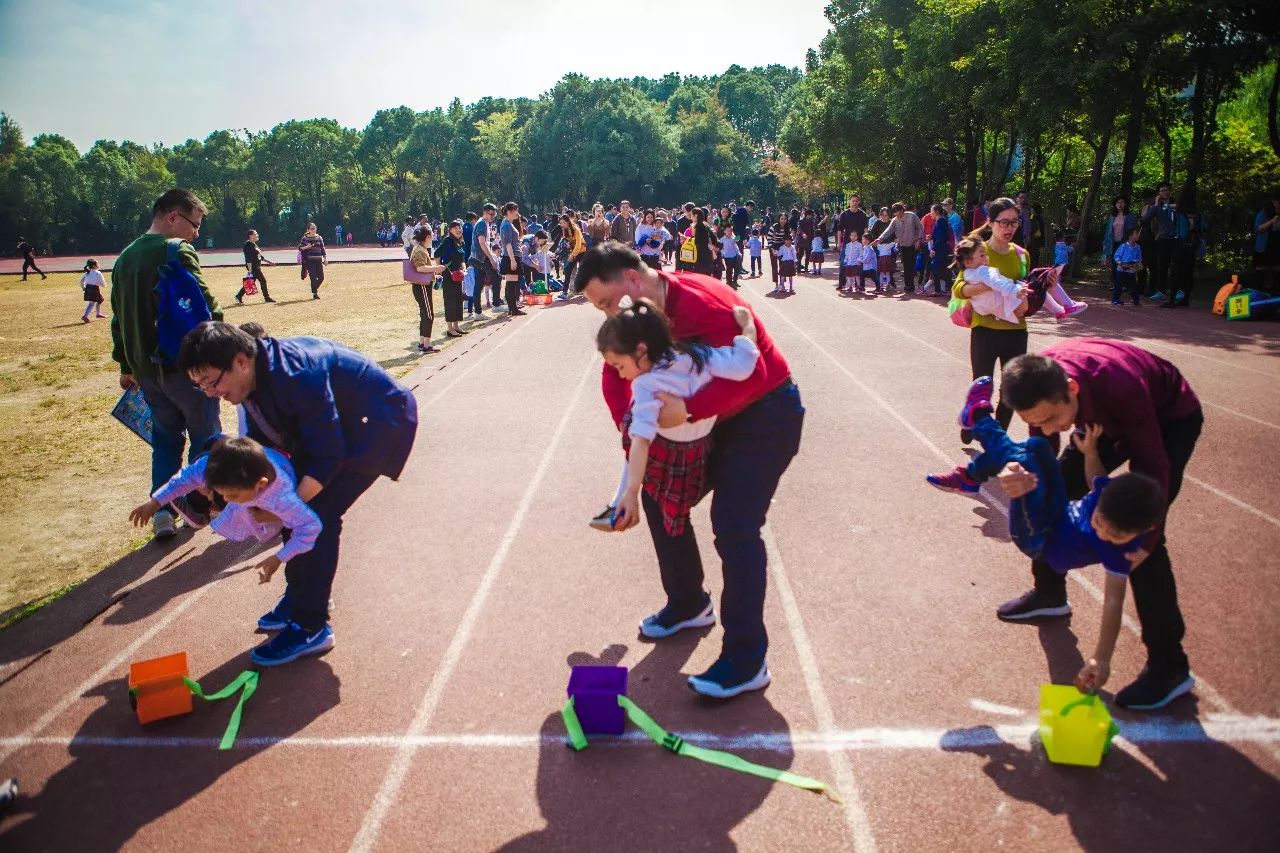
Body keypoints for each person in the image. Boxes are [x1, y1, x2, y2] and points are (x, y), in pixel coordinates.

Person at [574, 242, 803, 699]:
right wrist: (633, 468)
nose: (605, 315)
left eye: (605, 302)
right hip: (711, 424)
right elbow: (615, 384)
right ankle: (688, 602)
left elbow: (753, 372)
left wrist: (689, 410)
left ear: (633, 281)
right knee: (659, 497)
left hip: (765, 413)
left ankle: (746, 656)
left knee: (734, 526)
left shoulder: (707, 302)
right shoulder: (634, 322)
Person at [178, 321, 418, 666]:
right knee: (294, 503)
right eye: (199, 385)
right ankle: (303, 596)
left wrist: (280, 510)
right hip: (341, 427)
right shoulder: (255, 376)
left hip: (377, 425)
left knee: (315, 515)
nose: (210, 393)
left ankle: (311, 626)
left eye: (212, 382)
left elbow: (328, 456)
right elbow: (266, 452)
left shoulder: (295, 376)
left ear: (241, 361)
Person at [986, 343, 1203, 710]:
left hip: (1167, 418)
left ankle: (1170, 665)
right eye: (1038, 421)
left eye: (1054, 419)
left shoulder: (1119, 385)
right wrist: (1021, 476)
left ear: (1071, 388)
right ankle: (1050, 593)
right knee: (1058, 489)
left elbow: (1153, 468)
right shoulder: (1037, 389)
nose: (1051, 429)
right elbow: (1040, 453)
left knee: (1138, 531)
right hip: (1100, 421)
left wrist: (1143, 542)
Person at [925, 378, 1166, 695]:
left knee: (1023, 462)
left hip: (1038, 537)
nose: (1101, 531)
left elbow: (1112, 605)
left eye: (1112, 534)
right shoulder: (1109, 494)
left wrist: (1101, 660)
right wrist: (1091, 451)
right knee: (1038, 447)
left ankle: (980, 418)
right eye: (1099, 520)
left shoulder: (1121, 555)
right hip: (1055, 511)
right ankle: (972, 474)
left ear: (1142, 532)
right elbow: (1095, 479)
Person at [591, 297, 759, 535]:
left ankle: (619, 507)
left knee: (634, 427)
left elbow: (640, 442)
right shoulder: (700, 355)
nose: (623, 375)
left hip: (666, 455)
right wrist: (747, 326)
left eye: (619, 366)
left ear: (640, 350)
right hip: (700, 453)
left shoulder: (646, 384)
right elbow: (743, 365)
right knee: (677, 512)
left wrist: (631, 492)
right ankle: (620, 507)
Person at [110, 189, 223, 538]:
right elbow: (204, 304)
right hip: (185, 366)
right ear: (173, 216)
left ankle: (162, 512)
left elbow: (118, 319)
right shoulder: (176, 250)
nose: (196, 233)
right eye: (195, 223)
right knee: (205, 435)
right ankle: (198, 505)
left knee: (165, 440)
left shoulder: (125, 258)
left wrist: (125, 366)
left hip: (146, 371)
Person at [129, 435, 323, 586]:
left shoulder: (283, 495)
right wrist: (154, 503)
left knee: (295, 543)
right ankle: (203, 508)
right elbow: (183, 478)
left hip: (285, 497)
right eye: (222, 494)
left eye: (232, 495)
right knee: (209, 464)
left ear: (260, 485)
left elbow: (309, 529)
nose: (228, 500)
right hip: (256, 489)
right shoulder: (218, 466)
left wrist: (279, 557)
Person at [951, 197, 1038, 443]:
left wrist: (1038, 291)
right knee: (981, 387)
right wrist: (985, 288)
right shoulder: (978, 252)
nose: (1009, 228)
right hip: (985, 330)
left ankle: (995, 439)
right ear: (990, 222)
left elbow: (1026, 292)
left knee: (1011, 390)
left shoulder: (1022, 255)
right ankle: (973, 422)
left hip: (1016, 331)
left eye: (1014, 222)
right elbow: (958, 289)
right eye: (1004, 222)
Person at [408, 225, 446, 353]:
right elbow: (420, 268)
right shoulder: (420, 250)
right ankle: (426, 346)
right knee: (429, 315)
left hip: (422, 285)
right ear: (428, 237)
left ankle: (422, 342)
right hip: (422, 286)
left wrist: (434, 273)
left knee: (425, 314)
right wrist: (436, 268)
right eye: (431, 236)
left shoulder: (419, 248)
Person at [872, 202, 924, 293]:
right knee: (906, 266)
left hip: (913, 244)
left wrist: (919, 240)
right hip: (903, 245)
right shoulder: (895, 220)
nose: (896, 214)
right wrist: (879, 239)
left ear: (901, 210)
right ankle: (908, 286)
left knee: (910, 265)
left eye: (897, 212)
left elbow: (920, 228)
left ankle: (910, 285)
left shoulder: (912, 216)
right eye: (894, 213)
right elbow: (888, 231)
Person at [437, 219, 468, 337]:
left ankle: (456, 326)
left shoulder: (459, 242)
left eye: (459, 227)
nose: (458, 230)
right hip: (448, 276)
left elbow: (462, 259)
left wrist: (463, 268)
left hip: (458, 275)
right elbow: (437, 254)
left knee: (458, 300)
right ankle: (449, 329)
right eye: (455, 228)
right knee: (450, 300)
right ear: (450, 230)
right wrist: (440, 269)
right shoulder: (447, 241)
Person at [470, 202, 502, 314]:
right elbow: (482, 243)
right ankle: (496, 305)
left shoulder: (484, 224)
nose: (492, 216)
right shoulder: (482, 224)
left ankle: (478, 312)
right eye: (491, 213)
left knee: (479, 284)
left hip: (477, 258)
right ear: (484, 212)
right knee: (497, 277)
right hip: (481, 258)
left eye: (494, 214)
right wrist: (491, 258)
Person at [498, 202, 527, 317]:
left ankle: (512, 308)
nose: (517, 213)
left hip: (513, 256)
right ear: (509, 212)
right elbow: (507, 244)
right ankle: (513, 309)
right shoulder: (506, 225)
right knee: (511, 284)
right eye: (516, 210)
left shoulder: (509, 223)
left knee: (512, 284)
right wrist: (513, 260)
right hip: (510, 257)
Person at [835, 195, 868, 291]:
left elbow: (865, 229)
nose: (855, 203)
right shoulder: (844, 214)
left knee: (860, 264)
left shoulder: (863, 214)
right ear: (849, 202)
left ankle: (860, 285)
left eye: (856, 201)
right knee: (843, 263)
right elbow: (840, 229)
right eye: (853, 201)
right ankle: (841, 284)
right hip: (847, 243)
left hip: (860, 243)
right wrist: (839, 243)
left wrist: (865, 241)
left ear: (858, 202)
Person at [237, 229, 275, 304]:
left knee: (250, 281)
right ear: (250, 236)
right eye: (255, 234)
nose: (257, 235)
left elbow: (259, 256)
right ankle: (267, 298)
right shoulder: (248, 245)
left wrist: (268, 262)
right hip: (253, 267)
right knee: (263, 281)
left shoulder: (253, 243)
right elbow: (248, 259)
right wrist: (250, 270)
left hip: (256, 266)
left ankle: (239, 295)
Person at [556, 213, 587, 300]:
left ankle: (586, 290)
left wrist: (572, 255)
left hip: (581, 252)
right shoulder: (565, 230)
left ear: (568, 222)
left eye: (563, 223)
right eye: (560, 223)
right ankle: (565, 291)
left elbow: (578, 245)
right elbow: (567, 243)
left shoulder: (576, 229)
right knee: (568, 270)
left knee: (582, 272)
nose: (561, 225)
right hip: (573, 252)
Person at [1253, 195, 1280, 291]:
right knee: (1261, 270)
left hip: (1277, 247)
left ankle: (1275, 296)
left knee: (1277, 270)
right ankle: (1258, 295)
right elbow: (1257, 229)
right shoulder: (1264, 212)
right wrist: (1272, 221)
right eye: (1277, 202)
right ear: (1273, 202)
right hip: (1264, 246)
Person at [1111, 227, 1144, 306]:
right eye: (1136, 233)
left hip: (1131, 270)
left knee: (1134, 286)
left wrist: (1139, 267)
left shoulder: (1138, 247)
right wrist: (1121, 263)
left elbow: (1139, 259)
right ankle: (1115, 299)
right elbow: (1117, 256)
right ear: (1130, 236)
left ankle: (1136, 301)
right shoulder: (1123, 246)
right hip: (1121, 270)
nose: (1137, 235)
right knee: (1118, 286)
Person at [298, 222, 327, 299]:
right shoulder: (305, 238)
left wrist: (325, 259)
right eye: (312, 228)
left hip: (318, 260)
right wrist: (306, 247)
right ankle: (315, 293)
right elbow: (300, 248)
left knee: (321, 277)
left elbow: (322, 249)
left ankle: (314, 289)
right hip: (309, 261)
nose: (313, 230)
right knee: (313, 277)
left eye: (314, 228)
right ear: (308, 229)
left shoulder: (319, 238)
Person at [79, 259, 107, 323]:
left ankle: (98, 314)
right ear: (94, 266)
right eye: (97, 264)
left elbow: (81, 281)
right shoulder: (98, 273)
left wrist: (83, 287)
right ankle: (85, 316)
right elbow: (102, 281)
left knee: (100, 300)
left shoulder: (87, 273)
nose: (98, 265)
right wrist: (104, 285)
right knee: (92, 303)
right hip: (94, 288)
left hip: (88, 288)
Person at [718, 225, 742, 289]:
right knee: (729, 270)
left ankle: (735, 281)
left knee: (737, 269)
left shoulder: (733, 238)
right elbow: (720, 248)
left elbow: (736, 244)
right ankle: (729, 282)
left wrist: (738, 253)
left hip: (734, 256)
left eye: (731, 231)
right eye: (728, 231)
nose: (729, 232)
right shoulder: (722, 239)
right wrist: (722, 253)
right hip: (727, 257)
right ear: (724, 231)